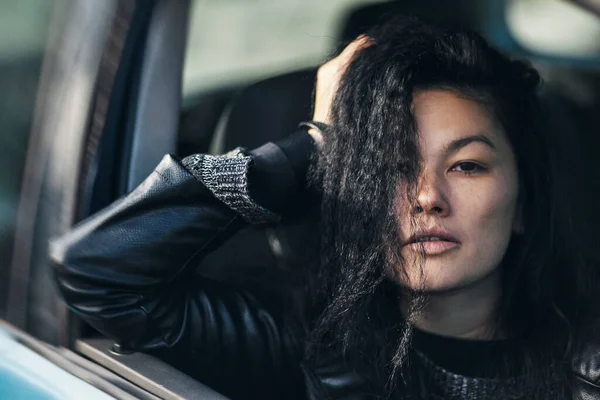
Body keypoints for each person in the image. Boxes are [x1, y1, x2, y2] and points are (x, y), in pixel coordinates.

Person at [51, 17, 600, 399]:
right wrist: (320, 143)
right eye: (388, 167)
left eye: (467, 165)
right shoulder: (302, 350)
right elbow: (97, 272)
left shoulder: (586, 365)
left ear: (523, 205)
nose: (428, 195)